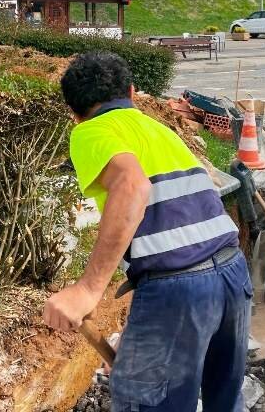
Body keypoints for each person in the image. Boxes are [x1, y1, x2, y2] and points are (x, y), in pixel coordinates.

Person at [43, 52, 251, 411]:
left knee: (147, 404)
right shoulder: (159, 130)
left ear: (73, 112)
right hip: (232, 274)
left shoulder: (90, 131)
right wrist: (141, 336)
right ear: (133, 92)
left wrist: (88, 289)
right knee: (224, 401)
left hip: (177, 286)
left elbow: (131, 185)